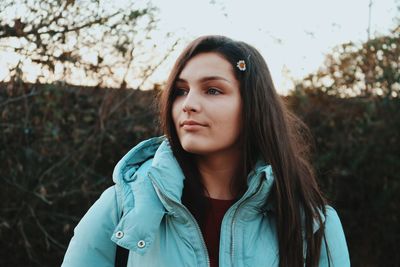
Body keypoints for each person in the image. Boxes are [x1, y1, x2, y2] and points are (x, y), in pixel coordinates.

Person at [62, 35, 350, 267]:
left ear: (253, 106)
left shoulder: (312, 224)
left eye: (212, 90)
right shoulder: (123, 207)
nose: (188, 104)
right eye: (180, 91)